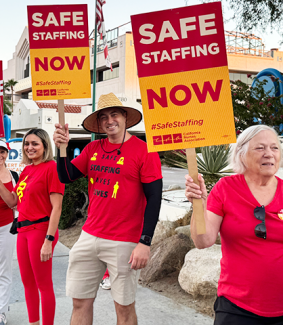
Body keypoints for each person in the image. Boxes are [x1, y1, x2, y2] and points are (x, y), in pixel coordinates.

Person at [185, 125, 283, 325]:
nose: (269, 154)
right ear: (242, 154)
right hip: (238, 309)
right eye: (260, 148)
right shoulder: (225, 189)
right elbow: (203, 241)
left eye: (274, 148)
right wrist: (197, 203)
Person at [53, 92, 162, 325]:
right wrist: (61, 148)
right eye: (103, 117)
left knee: (123, 307)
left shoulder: (145, 151)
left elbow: (154, 198)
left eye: (114, 114)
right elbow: (66, 175)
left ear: (124, 117)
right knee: (79, 302)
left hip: (125, 241)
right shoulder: (93, 148)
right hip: (89, 236)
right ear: (99, 123)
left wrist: (145, 242)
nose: (109, 120)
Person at [0, 129, 65, 325]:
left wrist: (49, 240)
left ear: (45, 145)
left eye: (35, 143)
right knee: (28, 284)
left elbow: (57, 208)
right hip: (23, 231)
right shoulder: (27, 171)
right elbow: (13, 202)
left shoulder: (52, 168)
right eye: (27, 143)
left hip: (41, 231)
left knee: (43, 285)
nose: (29, 147)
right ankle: (33, 322)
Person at [0, 140, 18, 325]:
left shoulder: (14, 175)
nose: (0, 155)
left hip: (6, 228)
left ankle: (1, 311)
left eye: (3, 151)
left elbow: (16, 202)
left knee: (4, 270)